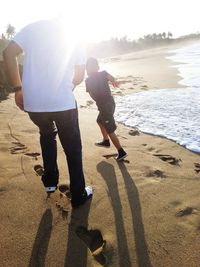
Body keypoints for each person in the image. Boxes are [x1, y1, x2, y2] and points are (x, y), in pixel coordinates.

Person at [3, 19, 93, 208]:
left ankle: (50, 182)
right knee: (72, 149)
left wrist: (18, 88)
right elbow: (79, 76)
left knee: (46, 134)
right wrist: (68, 86)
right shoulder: (75, 34)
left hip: (34, 104)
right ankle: (78, 194)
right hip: (62, 104)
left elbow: (8, 53)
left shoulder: (32, 28)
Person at [85, 57, 127, 161]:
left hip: (104, 106)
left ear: (87, 69)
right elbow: (112, 78)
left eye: (88, 68)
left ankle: (121, 151)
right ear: (97, 67)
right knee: (99, 121)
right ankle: (106, 141)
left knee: (109, 128)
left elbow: (92, 94)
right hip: (110, 103)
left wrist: (99, 100)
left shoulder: (88, 80)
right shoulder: (103, 73)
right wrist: (114, 82)